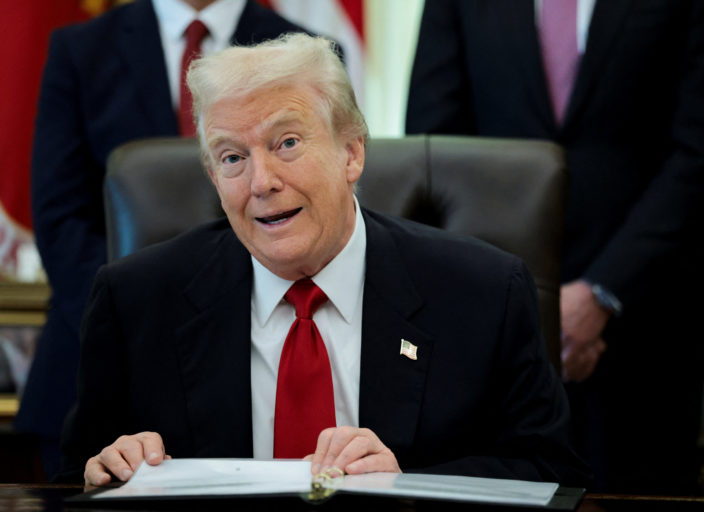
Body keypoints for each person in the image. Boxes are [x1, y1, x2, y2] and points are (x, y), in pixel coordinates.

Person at [58, 33, 590, 488]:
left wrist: (407, 483)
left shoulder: (482, 292)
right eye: (232, 158)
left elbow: (551, 472)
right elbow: (72, 479)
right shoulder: (136, 301)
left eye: (287, 142)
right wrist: (108, 471)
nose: (261, 182)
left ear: (351, 151)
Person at [405, 0, 704, 494]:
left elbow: (703, 150)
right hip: (497, 334)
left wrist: (604, 292)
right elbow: (436, 151)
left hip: (645, 329)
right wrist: (511, 298)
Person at [19, 0, 309, 478]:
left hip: (259, 359)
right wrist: (128, 323)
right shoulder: (80, 48)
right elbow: (60, 216)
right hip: (96, 369)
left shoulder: (300, 49)